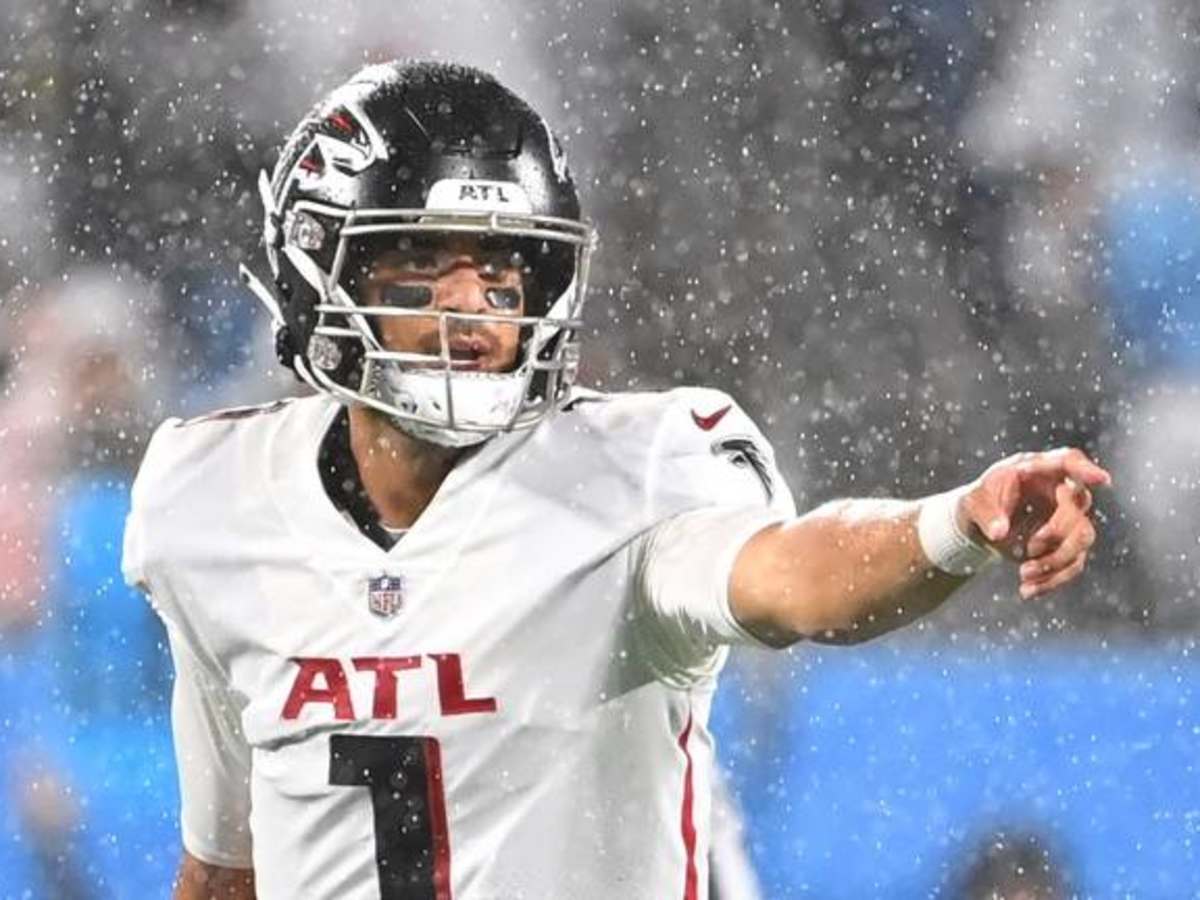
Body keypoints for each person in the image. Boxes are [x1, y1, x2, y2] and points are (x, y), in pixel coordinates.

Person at [121, 60, 1110, 900]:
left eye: (504, 276)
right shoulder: (208, 499)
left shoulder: (629, 473)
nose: (474, 309)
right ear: (319, 265)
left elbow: (796, 583)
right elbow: (226, 868)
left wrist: (952, 524)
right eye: (424, 265)